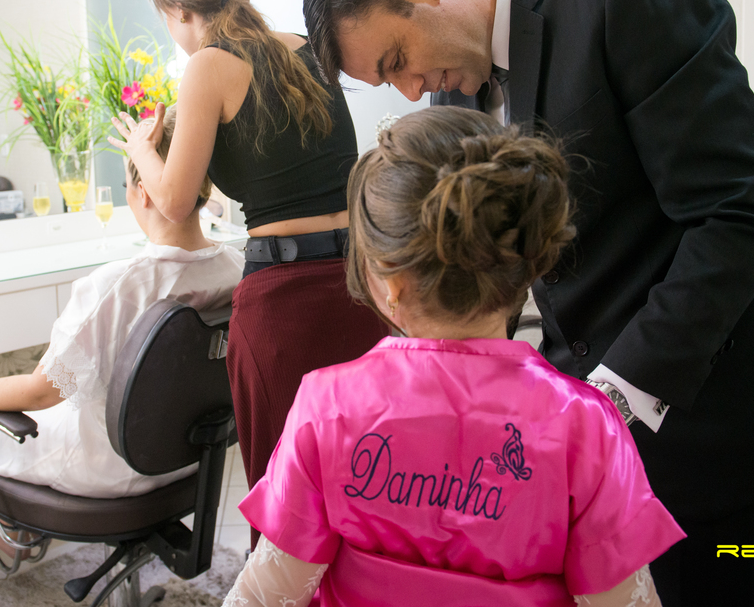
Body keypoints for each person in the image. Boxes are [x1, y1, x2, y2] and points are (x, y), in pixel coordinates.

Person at [302, 0, 754, 606]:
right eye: (388, 80)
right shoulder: (454, 98)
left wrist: (607, 405)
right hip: (588, 412)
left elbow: (739, 215)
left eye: (397, 60)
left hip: (714, 413)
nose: (410, 89)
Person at [223, 108, 685, 607]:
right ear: (524, 264)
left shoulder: (326, 405)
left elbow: (267, 594)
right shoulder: (586, 425)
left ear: (391, 280)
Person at [109, 0, 386, 540]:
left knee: (287, 495)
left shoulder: (208, 65)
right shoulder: (307, 49)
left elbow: (175, 200)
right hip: (360, 288)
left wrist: (139, 149)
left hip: (286, 303)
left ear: (181, 11)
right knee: (363, 478)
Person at [0, 108, 244, 553]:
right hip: (193, 461)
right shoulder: (237, 267)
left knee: (18, 434)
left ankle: (18, 530)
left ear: (143, 192)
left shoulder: (118, 285)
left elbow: (41, 392)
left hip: (113, 468)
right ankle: (25, 527)